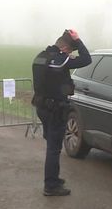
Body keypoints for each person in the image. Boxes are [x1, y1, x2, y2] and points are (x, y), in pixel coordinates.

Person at [32, 29, 92, 196]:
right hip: (55, 110)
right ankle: (51, 185)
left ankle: (53, 178)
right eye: (70, 50)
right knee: (54, 148)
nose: (70, 54)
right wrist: (78, 41)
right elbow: (87, 59)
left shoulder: (40, 57)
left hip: (41, 107)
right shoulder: (60, 59)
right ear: (65, 48)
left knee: (51, 145)